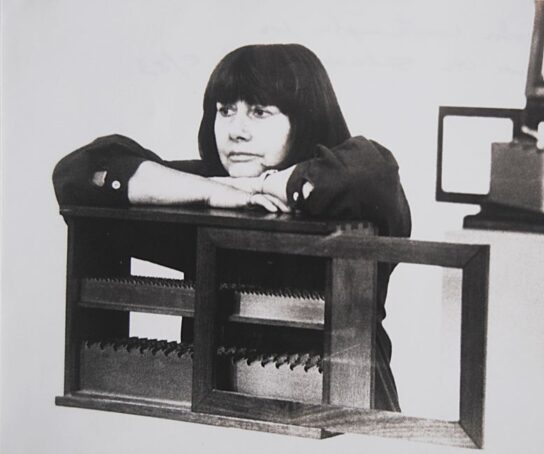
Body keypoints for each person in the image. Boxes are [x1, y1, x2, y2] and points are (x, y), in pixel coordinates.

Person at [53, 43, 411, 411]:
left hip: (342, 417)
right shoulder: (208, 189)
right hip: (222, 416)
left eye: (259, 112)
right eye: (225, 111)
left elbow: (371, 173)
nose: (236, 131)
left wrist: (263, 184)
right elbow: (78, 173)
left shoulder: (351, 186)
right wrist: (210, 192)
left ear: (305, 120)